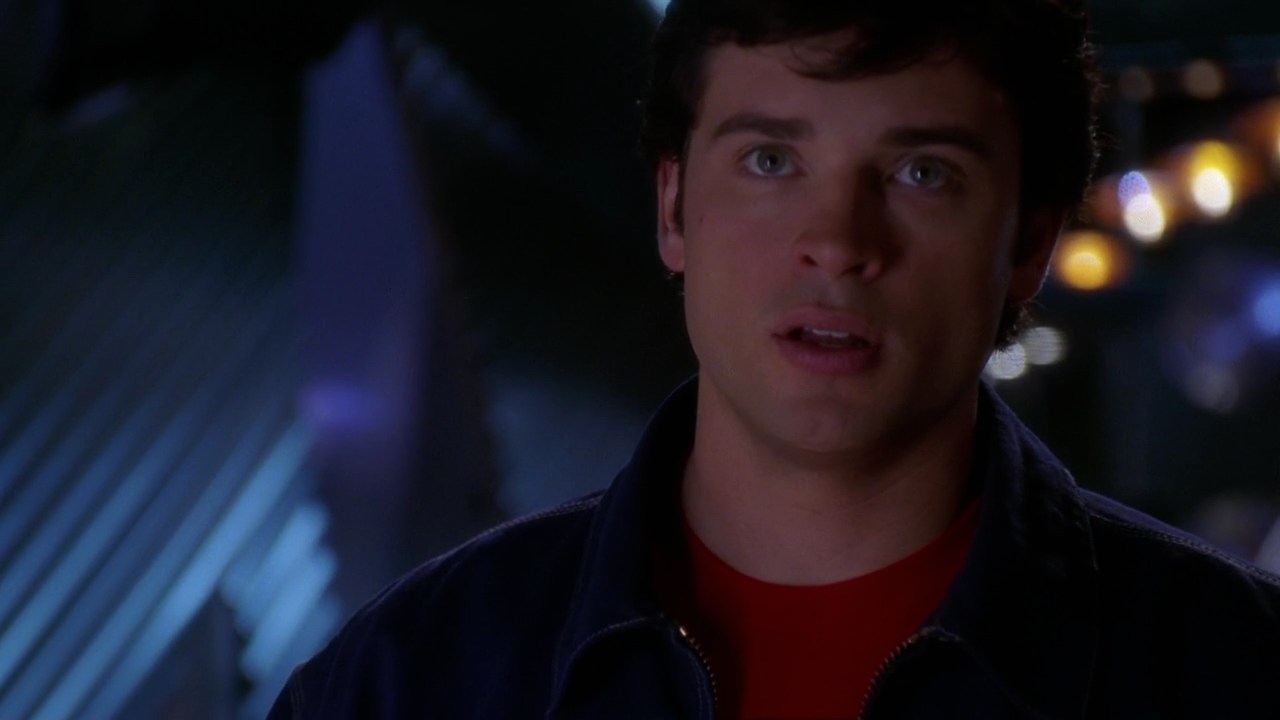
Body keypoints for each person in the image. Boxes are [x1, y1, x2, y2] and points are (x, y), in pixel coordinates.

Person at [270, 1, 1280, 717]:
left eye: (921, 172)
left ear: (1029, 242)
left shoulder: (1231, 670)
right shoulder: (410, 678)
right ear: (674, 207)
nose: (836, 241)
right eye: (770, 160)